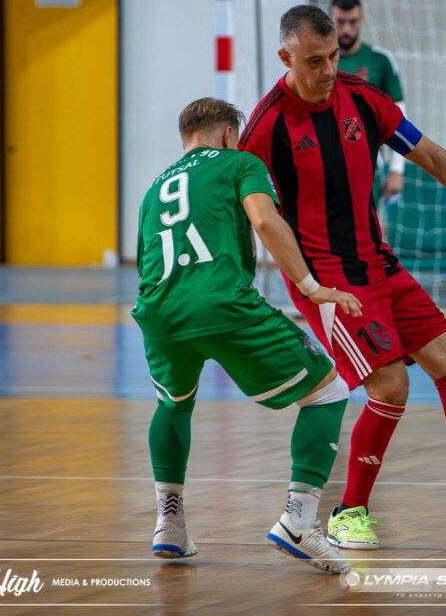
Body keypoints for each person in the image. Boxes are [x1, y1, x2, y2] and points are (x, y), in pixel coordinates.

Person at [238, 6, 446, 551]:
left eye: (334, 57)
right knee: (390, 385)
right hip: (331, 282)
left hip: (381, 264)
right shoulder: (265, 126)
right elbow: (254, 215)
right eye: (315, 61)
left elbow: (431, 156)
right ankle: (348, 512)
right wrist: (296, 285)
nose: (328, 70)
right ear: (286, 57)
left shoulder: (362, 98)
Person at [132, 97, 362, 573]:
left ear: (186, 137)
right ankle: (298, 520)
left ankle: (169, 524)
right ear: (228, 135)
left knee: (173, 404)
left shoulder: (154, 187)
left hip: (157, 310)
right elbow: (264, 219)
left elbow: (146, 256)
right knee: (328, 391)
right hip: (221, 302)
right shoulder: (240, 163)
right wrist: (310, 286)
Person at [330, 0, 407, 206]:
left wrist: (396, 169)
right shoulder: (318, 62)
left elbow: (399, 116)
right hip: (323, 162)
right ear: (330, 20)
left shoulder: (380, 60)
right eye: (340, 22)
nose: (346, 29)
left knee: (367, 224)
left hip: (367, 163)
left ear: (361, 20)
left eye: (352, 22)